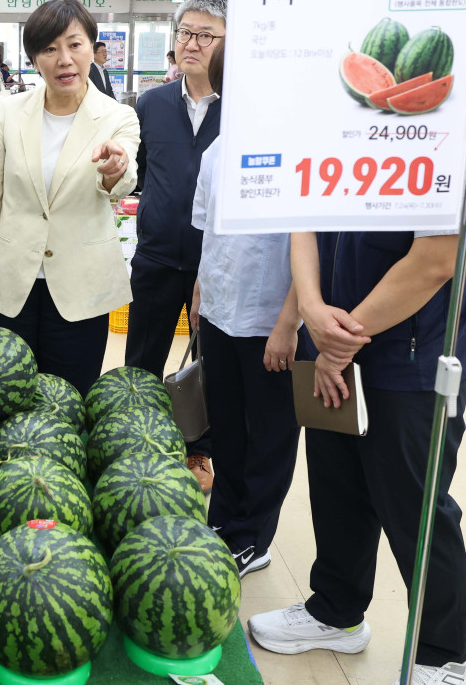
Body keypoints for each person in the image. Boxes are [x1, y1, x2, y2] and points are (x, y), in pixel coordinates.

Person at [249, 104, 466, 685]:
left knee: (415, 506)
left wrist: (339, 340)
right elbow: (305, 213)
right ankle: (336, 612)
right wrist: (314, 312)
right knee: (338, 484)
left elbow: (439, 259)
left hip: (414, 351)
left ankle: (444, 655)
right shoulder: (342, 105)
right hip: (336, 330)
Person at [0, 0, 139, 396]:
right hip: (11, 281)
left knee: (70, 398)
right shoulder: (9, 113)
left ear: (91, 49)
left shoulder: (118, 116)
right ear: (33, 58)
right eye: (49, 49)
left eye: (75, 45)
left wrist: (115, 170)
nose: (64, 59)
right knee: (6, 393)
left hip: (81, 284)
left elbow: (124, 173)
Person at [190, 34, 300, 579]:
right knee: (228, 429)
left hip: (270, 320)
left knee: (270, 435)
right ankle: (224, 522)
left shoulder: (300, 146)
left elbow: (312, 249)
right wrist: (198, 301)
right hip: (220, 313)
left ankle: (253, 537)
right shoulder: (217, 149)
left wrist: (288, 322)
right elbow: (208, 233)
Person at [124, 0, 226, 493]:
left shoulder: (241, 108)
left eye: (206, 35)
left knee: (207, 364)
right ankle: (133, 444)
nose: (191, 43)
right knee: (143, 356)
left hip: (217, 263)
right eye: (185, 32)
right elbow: (140, 176)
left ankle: (198, 451)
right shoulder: (152, 103)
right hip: (157, 255)